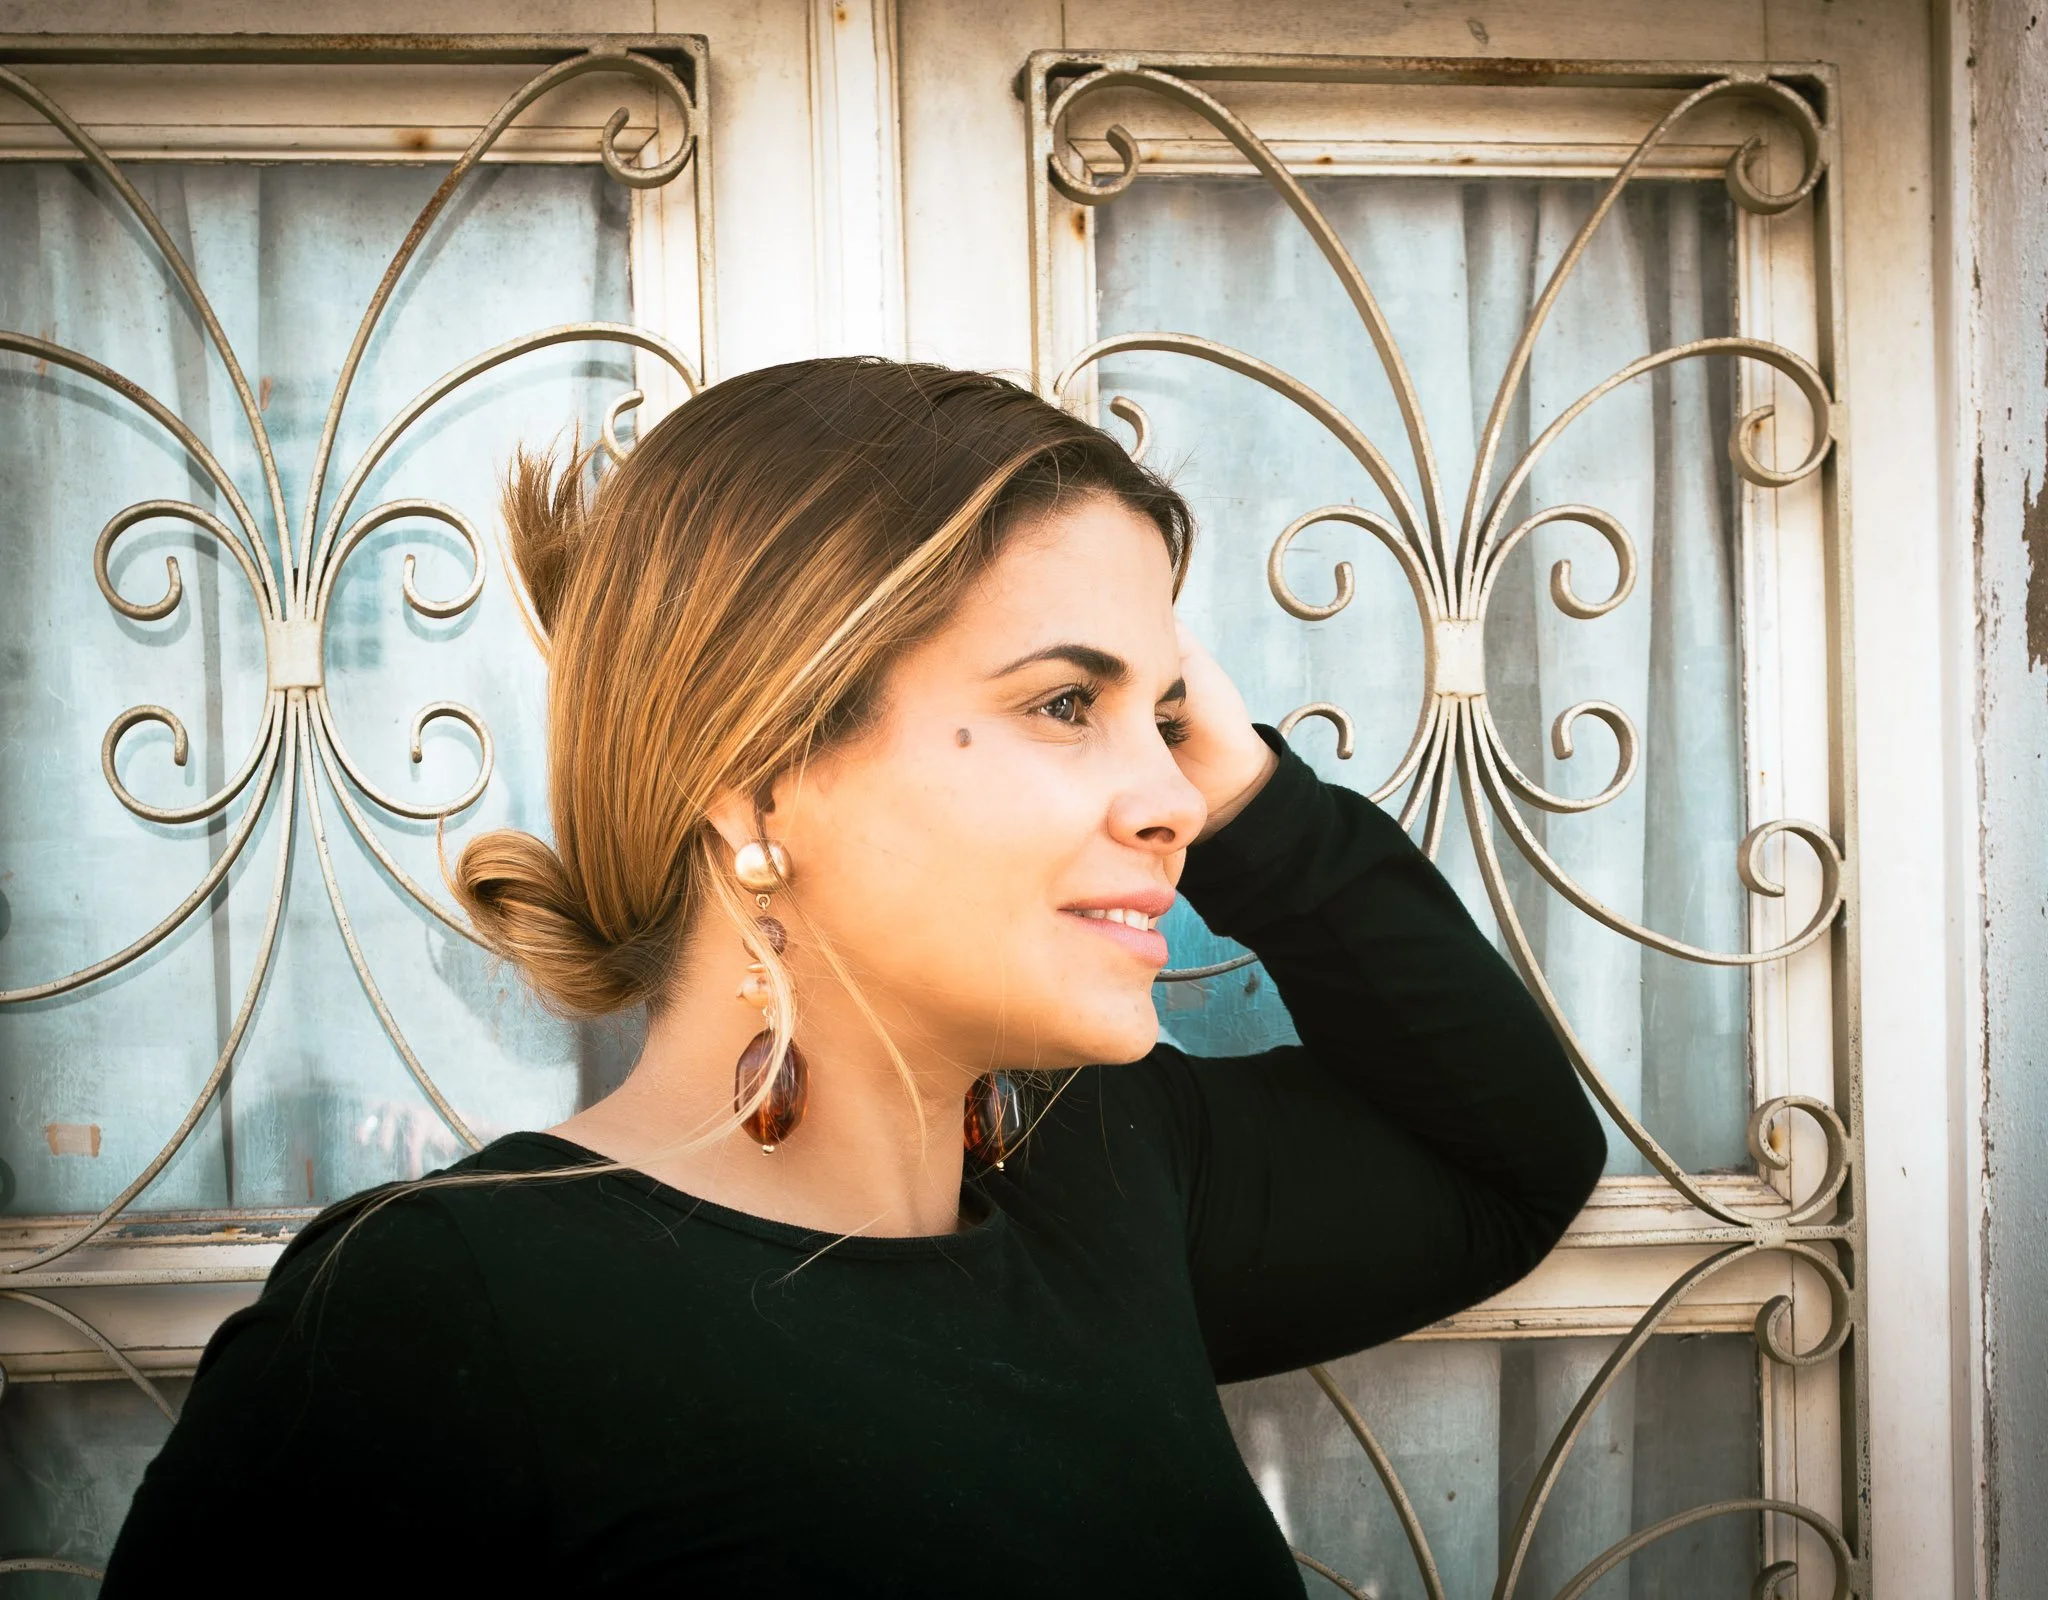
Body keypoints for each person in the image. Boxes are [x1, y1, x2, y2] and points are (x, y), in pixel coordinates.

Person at [101, 358, 1605, 1596]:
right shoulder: (432, 1324)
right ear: (757, 787)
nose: (1172, 800)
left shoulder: (1109, 1180)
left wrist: (1264, 796)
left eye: (1166, 719)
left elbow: (1510, 1164)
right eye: (1066, 702)